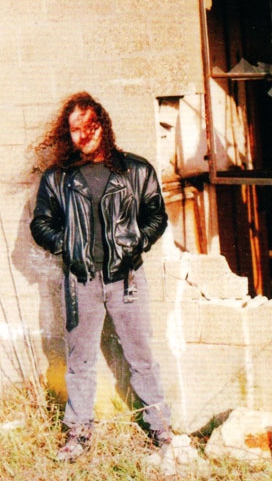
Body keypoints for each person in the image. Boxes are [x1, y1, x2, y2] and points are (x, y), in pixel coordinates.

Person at [30, 92, 172, 461]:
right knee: (79, 361)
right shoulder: (58, 178)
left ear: (103, 125)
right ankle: (78, 433)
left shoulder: (135, 170)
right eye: (75, 129)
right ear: (68, 133)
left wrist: (136, 242)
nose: (84, 134)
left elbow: (157, 214)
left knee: (141, 356)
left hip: (127, 279)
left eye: (90, 125)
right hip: (80, 282)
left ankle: (160, 428)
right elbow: (40, 224)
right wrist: (67, 245)